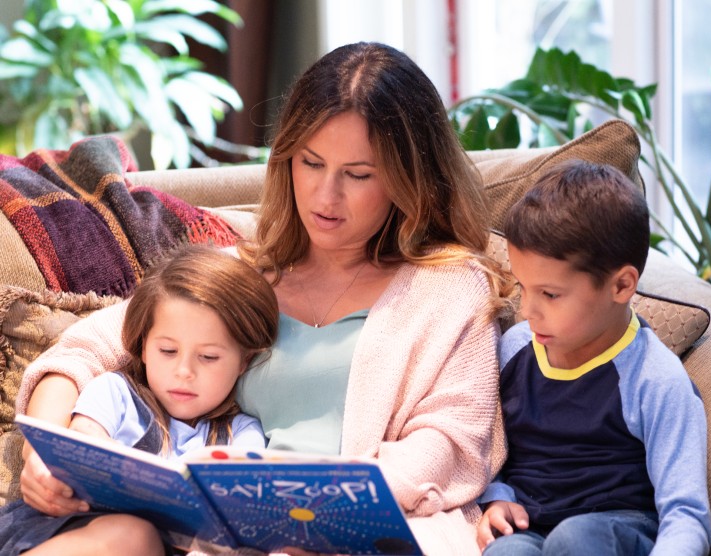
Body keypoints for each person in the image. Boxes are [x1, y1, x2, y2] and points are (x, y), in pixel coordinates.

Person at [14, 42, 515, 555]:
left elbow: (451, 443)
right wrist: (50, 447)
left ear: (409, 177)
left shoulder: (451, 289)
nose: (325, 196)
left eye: (358, 175)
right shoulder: (243, 273)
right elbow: (84, 349)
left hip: (366, 529)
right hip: (214, 537)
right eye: (311, 163)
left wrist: (316, 505)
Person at [476, 159, 711, 556]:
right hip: (530, 526)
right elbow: (488, 446)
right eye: (522, 287)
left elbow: (685, 512)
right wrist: (496, 497)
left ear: (621, 285)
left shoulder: (655, 379)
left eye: (550, 294)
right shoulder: (516, 347)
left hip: (617, 529)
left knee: (576, 538)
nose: (527, 310)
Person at [2, 244, 279, 556]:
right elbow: (84, 441)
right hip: (77, 530)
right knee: (134, 536)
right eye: (168, 351)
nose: (184, 371)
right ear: (144, 347)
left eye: (209, 357)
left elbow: (239, 497)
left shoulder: (242, 432)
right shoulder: (115, 392)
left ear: (244, 362)